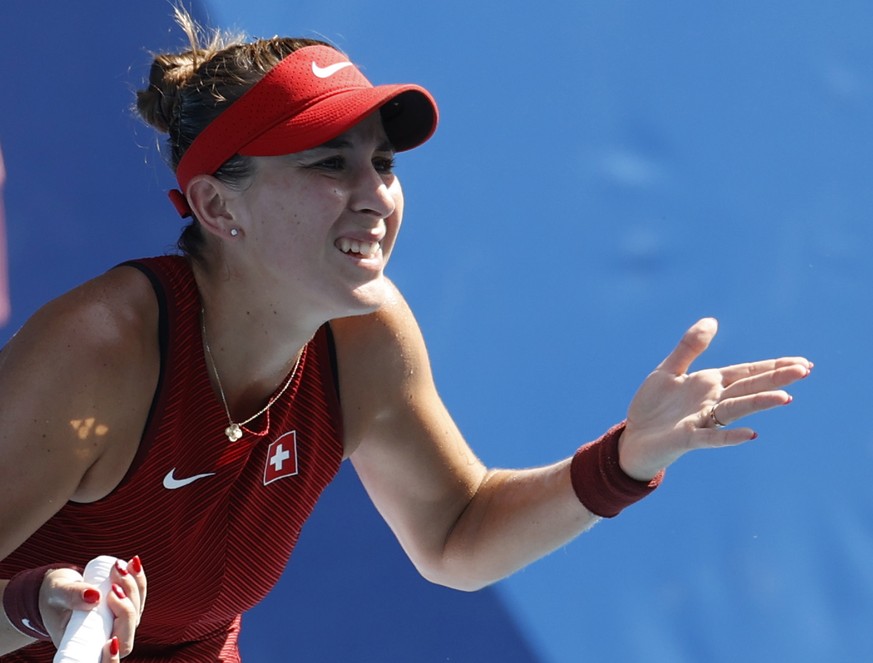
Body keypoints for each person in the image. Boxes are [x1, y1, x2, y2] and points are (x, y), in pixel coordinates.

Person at [0, 8, 812, 662]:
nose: (375, 195)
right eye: (328, 164)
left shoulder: (364, 336)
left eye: (383, 162)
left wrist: (626, 459)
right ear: (219, 207)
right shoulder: (99, 353)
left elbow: (457, 532)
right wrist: (29, 605)